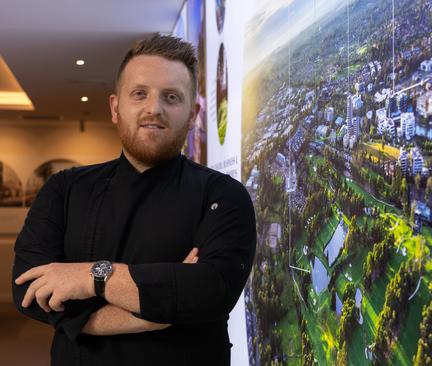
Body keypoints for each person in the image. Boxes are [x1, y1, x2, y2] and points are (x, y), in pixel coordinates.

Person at [11, 33, 256, 366]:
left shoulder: (224, 195)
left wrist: (89, 278)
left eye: (171, 96)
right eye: (139, 94)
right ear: (115, 107)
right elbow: (28, 289)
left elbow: (208, 292)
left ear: (193, 112)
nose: (153, 108)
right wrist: (157, 311)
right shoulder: (64, 189)